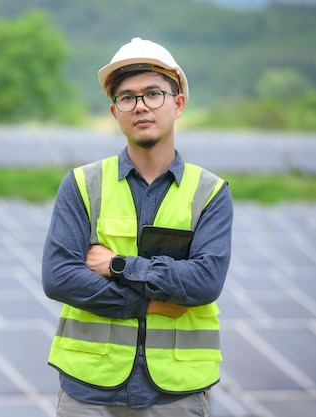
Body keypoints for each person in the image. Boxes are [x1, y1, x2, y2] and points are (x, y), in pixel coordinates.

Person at [42, 37, 233, 416]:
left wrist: (117, 265)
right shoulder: (82, 184)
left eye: (153, 94)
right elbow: (60, 277)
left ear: (177, 104)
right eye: (127, 98)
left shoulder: (209, 193)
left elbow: (204, 283)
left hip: (177, 393)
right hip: (89, 389)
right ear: (115, 112)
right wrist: (151, 303)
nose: (140, 106)